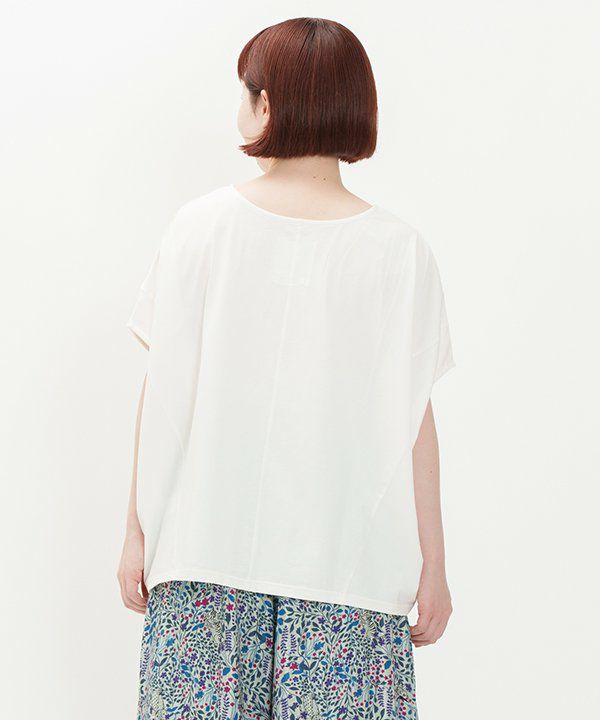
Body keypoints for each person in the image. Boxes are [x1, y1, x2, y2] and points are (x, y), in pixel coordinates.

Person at [118, 17, 456, 720]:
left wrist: (136, 533)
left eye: (245, 93)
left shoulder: (200, 228)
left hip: (203, 561)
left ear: (267, 104)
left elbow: (164, 391)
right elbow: (413, 419)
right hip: (350, 573)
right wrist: (435, 564)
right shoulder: (399, 251)